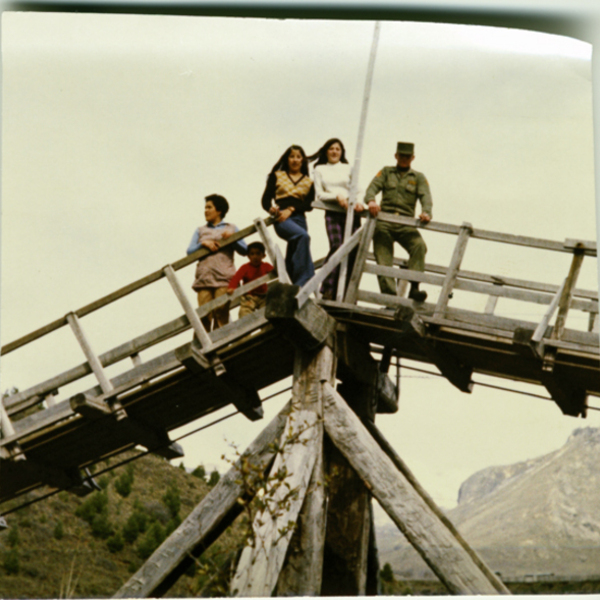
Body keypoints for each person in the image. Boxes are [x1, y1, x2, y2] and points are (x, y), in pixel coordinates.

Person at [364, 141, 432, 302]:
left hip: (405, 224)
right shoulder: (386, 172)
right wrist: (371, 201)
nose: (404, 159)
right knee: (383, 259)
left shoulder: (418, 177)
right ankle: (390, 299)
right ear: (396, 156)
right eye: (401, 156)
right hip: (384, 223)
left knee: (419, 246)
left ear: (413, 158)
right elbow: (372, 188)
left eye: (407, 156)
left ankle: (415, 288)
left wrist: (426, 212)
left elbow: (426, 197)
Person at [310, 138, 365, 300]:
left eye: (338, 149)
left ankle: (347, 294)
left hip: (351, 212)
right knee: (337, 245)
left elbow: (359, 189)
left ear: (342, 152)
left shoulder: (348, 167)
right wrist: (337, 196)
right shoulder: (319, 169)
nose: (334, 152)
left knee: (353, 251)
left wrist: (360, 202)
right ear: (326, 151)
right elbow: (320, 193)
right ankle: (327, 288)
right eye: (331, 149)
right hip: (333, 211)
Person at [187, 194, 248, 331]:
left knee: (221, 315)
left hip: (224, 278)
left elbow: (245, 250)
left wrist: (233, 238)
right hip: (204, 279)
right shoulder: (200, 230)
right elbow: (189, 252)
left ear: (219, 210)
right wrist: (203, 243)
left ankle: (222, 349)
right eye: (205, 207)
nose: (206, 211)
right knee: (203, 318)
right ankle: (203, 351)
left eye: (209, 207)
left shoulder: (231, 227)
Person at [261, 145, 315, 286]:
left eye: (298, 157)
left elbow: (309, 205)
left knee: (294, 249)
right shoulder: (277, 176)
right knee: (303, 237)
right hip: (282, 218)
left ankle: (289, 284)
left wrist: (291, 209)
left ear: (303, 160)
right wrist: (271, 209)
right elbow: (266, 199)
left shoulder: (308, 181)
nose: (295, 160)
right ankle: (304, 281)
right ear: (287, 159)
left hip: (299, 218)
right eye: (292, 156)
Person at [227, 241, 274, 317]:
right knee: (244, 313)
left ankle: (268, 328)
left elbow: (274, 271)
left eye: (258, 253)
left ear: (263, 255)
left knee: (267, 312)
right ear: (248, 256)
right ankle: (244, 324)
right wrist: (231, 287)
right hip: (249, 296)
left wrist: (276, 270)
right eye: (252, 254)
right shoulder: (245, 267)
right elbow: (236, 278)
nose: (255, 256)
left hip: (263, 296)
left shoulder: (265, 266)